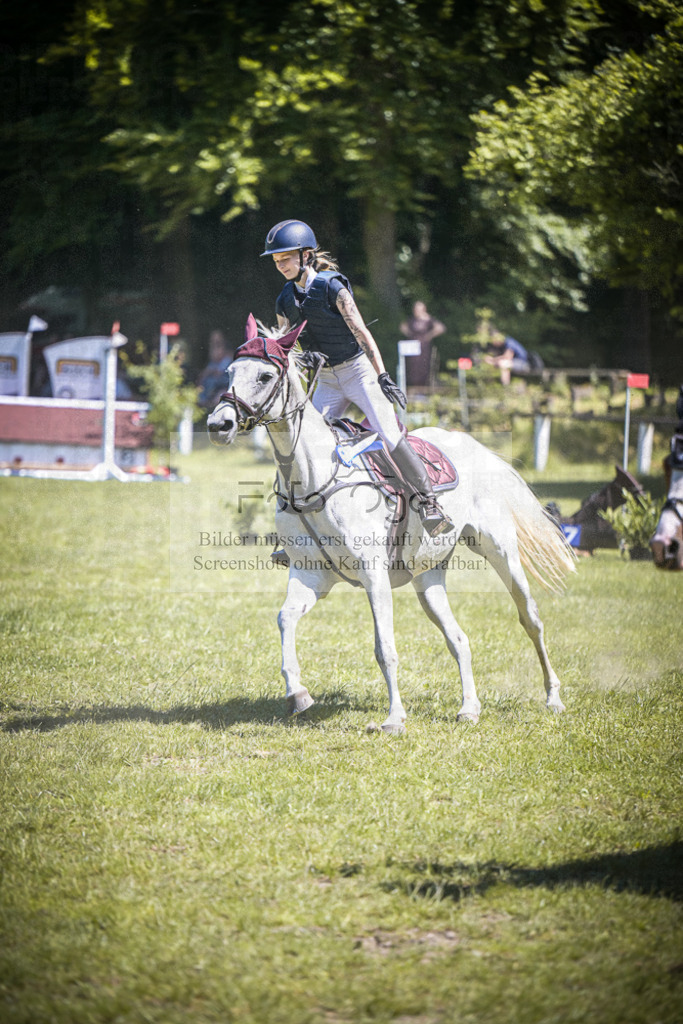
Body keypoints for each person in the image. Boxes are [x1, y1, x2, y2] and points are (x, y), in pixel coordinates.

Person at [261, 218, 454, 539]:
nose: (280, 265)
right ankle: (294, 523)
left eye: (286, 258)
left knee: (389, 434)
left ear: (306, 255)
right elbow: (286, 347)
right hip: (327, 380)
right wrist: (303, 358)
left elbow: (361, 332)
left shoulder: (333, 286)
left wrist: (383, 376)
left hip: (357, 371)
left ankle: (429, 503)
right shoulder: (284, 299)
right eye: (277, 260)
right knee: (300, 445)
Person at [399, 300, 445, 387]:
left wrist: (430, 335)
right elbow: (402, 326)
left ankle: (423, 388)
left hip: (424, 347)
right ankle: (414, 387)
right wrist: (410, 334)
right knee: (413, 368)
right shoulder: (412, 320)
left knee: (423, 367)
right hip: (413, 347)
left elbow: (440, 328)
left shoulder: (428, 319)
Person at [196, 329, 233, 408]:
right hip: (209, 389)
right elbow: (202, 377)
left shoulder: (227, 360)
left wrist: (209, 372)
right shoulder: (212, 363)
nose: (214, 350)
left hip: (222, 388)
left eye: (217, 345)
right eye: (212, 345)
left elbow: (218, 373)